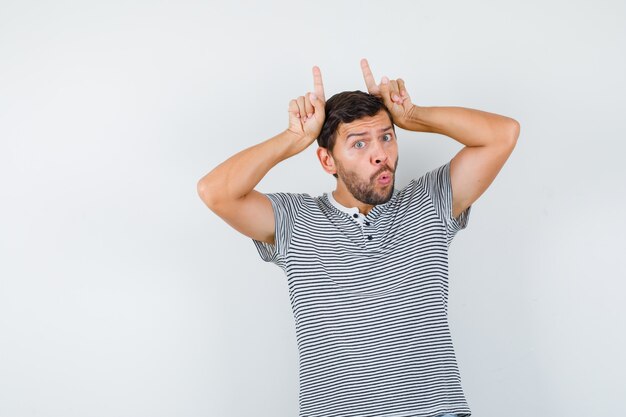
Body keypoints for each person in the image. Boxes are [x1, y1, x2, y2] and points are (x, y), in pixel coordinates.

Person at [197, 59, 520, 417]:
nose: (380, 154)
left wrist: (413, 114)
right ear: (327, 160)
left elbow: (502, 135)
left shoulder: (430, 202)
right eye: (359, 144)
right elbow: (215, 192)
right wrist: (293, 139)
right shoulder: (295, 220)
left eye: (386, 137)